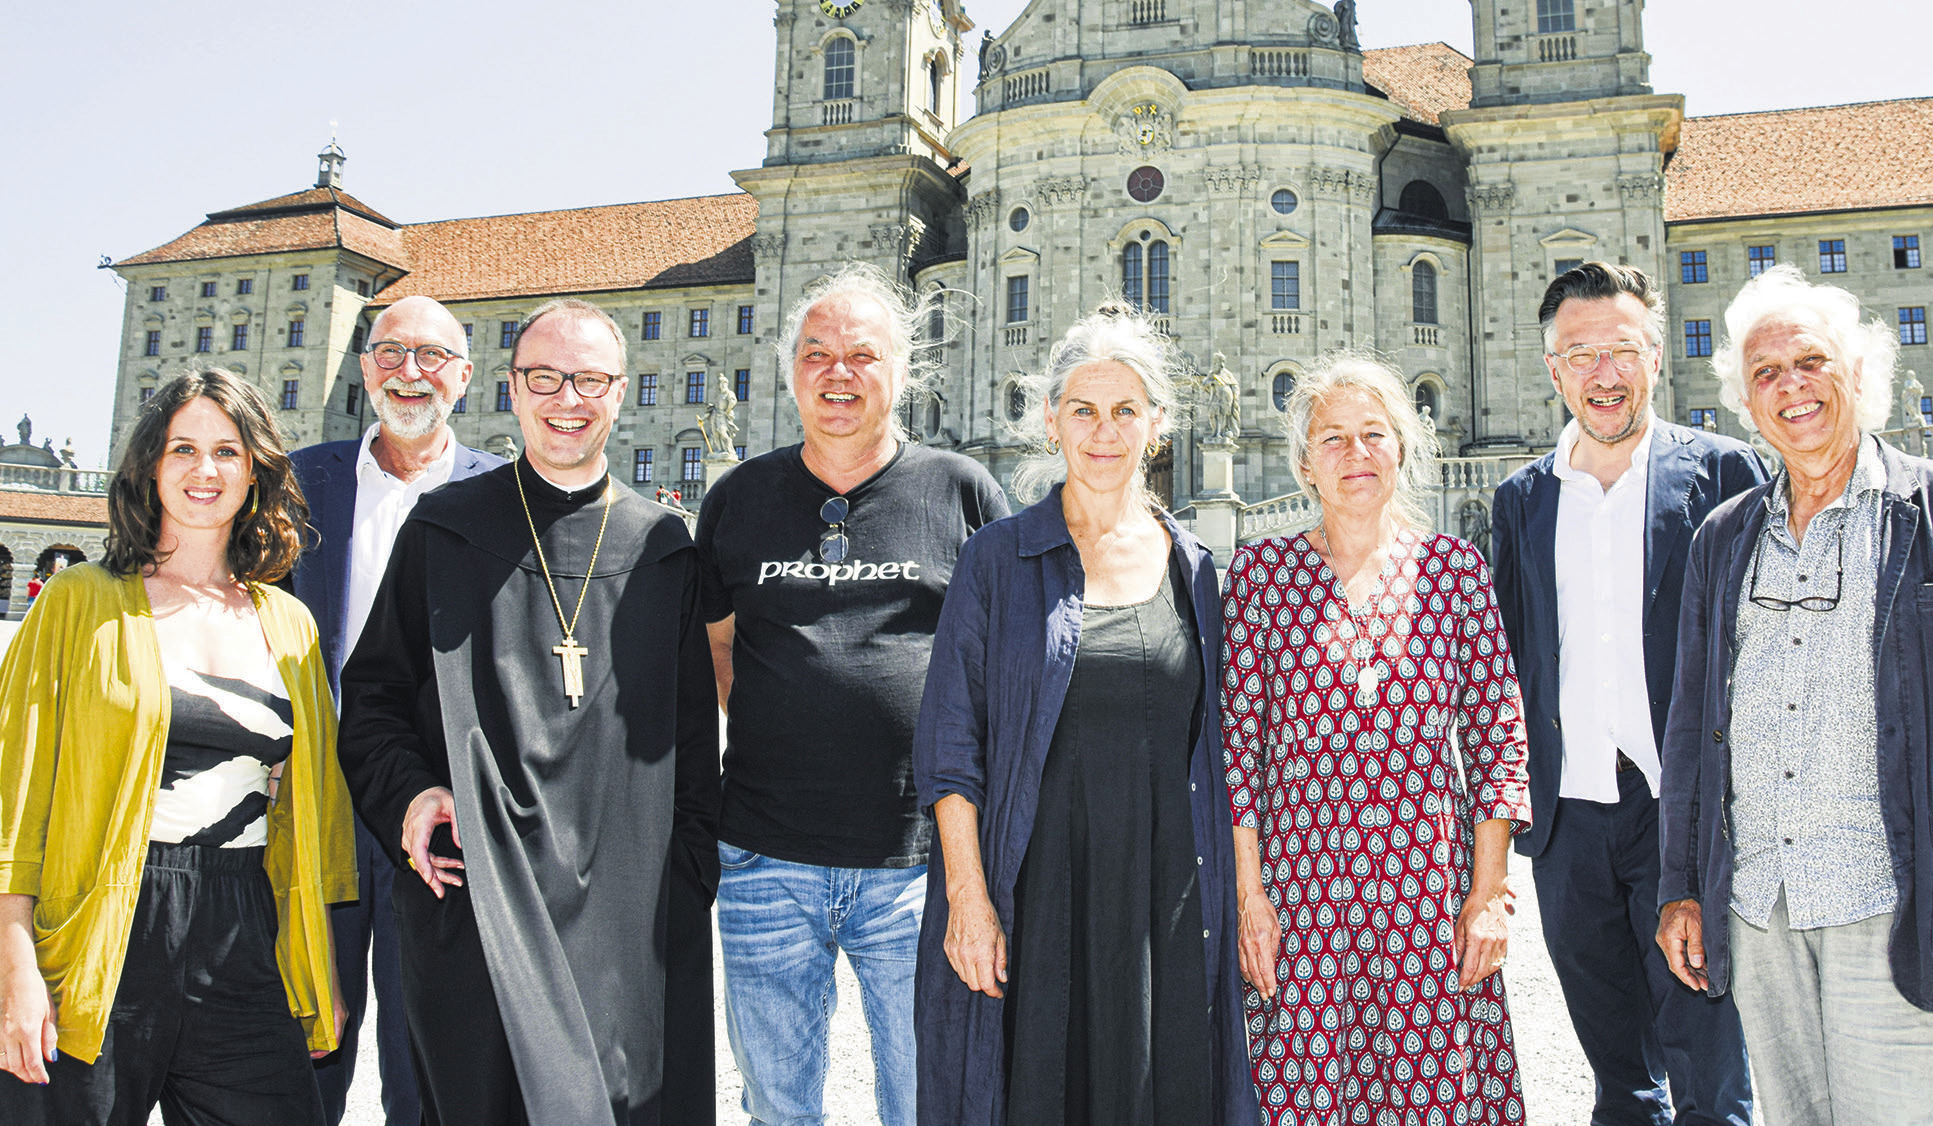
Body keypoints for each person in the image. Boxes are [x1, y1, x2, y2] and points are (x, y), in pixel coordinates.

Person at [339, 297, 719, 1126]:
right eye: (543, 377)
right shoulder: (443, 530)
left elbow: (693, 737)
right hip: (480, 900)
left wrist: (687, 875)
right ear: (510, 390)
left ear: (622, 392)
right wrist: (409, 796)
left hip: (630, 912)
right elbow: (371, 700)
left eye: (588, 380)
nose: (566, 400)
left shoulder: (665, 548)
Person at [1658, 266, 1933, 1126]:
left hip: (1894, 895)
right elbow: (1689, 721)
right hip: (1759, 904)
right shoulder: (1723, 535)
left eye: (1810, 362)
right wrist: (1680, 882)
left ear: (1858, 374)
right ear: (1746, 403)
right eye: (1765, 375)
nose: (1791, 388)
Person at [913, 305, 1260, 1126]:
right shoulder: (996, 558)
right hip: (1036, 887)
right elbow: (949, 744)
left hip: (1164, 892)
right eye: (1083, 410)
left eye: (1125, 411)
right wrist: (968, 901)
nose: (1103, 432)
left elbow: (1222, 747)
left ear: (1158, 425)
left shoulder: (1195, 567)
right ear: (1050, 420)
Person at [696, 263, 1008, 1126]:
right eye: (817, 354)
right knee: (777, 1107)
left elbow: (997, 670)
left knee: (925, 1101)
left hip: (916, 865)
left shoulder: (962, 492)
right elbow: (718, 648)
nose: (838, 373)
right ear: (790, 369)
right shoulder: (738, 498)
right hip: (764, 858)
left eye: (862, 355)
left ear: (901, 372)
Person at [0, 368, 355, 1124]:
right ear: (149, 467)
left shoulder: (286, 623)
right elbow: (14, 799)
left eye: (227, 451)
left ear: (255, 468)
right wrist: (15, 969)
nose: (205, 470)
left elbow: (304, 816)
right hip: (100, 923)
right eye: (182, 449)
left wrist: (313, 964)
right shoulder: (78, 602)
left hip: (241, 924)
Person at [1222, 352, 1531, 1126]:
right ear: (1302, 463)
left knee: (1429, 1096)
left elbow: (1496, 731)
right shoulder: (1262, 573)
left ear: (1403, 448)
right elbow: (1235, 750)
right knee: (1300, 1091)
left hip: (1426, 888)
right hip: (1301, 893)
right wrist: (1247, 897)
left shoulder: (1454, 570)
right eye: (1332, 439)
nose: (1355, 454)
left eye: (1373, 434)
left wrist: (1487, 895)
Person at [1491, 263, 1762, 1126]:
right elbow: (1508, 660)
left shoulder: (1725, 472)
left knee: (1710, 1069)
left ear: (1655, 357)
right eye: (1580, 355)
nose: (1602, 374)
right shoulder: (1520, 499)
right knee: (1616, 1074)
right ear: (1552, 370)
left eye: (1621, 351)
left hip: (1681, 812)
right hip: (1569, 818)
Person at [289, 293, 502, 1125]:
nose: (409, 374)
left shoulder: (502, 494)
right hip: (315, 800)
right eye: (389, 353)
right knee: (306, 1037)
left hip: (442, 811)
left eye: (431, 357)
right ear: (364, 366)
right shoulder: (300, 482)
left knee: (429, 1057)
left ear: (465, 377)